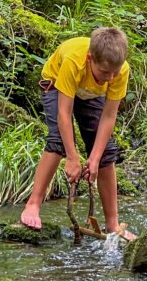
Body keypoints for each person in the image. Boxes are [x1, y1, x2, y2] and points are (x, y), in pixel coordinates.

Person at [20, 27, 135, 238]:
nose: (109, 78)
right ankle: (33, 204)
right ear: (90, 58)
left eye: (114, 73)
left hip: (90, 93)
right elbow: (64, 115)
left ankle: (113, 225)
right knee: (58, 141)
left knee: (106, 153)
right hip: (56, 84)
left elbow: (109, 116)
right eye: (103, 72)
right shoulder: (74, 61)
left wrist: (95, 157)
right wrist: (72, 158)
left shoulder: (120, 70)